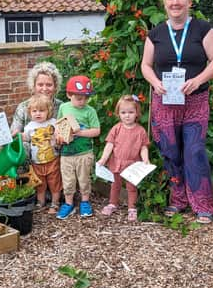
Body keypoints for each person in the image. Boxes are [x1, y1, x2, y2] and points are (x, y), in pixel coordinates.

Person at [140, 0, 213, 223]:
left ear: (189, 1)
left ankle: (203, 204)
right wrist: (155, 82)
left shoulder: (202, 29)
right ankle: (178, 200)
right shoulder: (155, 33)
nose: (175, 3)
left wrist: (198, 80)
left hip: (194, 101)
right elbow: (145, 65)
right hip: (165, 102)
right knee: (170, 151)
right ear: (164, 3)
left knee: (195, 151)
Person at [97, 95, 150, 222]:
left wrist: (146, 159)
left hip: (132, 164)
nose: (127, 115)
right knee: (115, 184)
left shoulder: (140, 131)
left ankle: (132, 207)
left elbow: (143, 147)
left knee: (131, 187)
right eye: (123, 112)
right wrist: (103, 159)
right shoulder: (116, 128)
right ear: (118, 113)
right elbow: (109, 144)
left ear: (137, 113)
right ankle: (112, 203)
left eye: (131, 112)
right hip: (117, 162)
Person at [55, 75, 101, 220]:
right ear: (69, 95)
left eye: (86, 98)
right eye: (79, 98)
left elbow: (96, 130)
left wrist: (80, 132)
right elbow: (59, 124)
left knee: (84, 179)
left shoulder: (90, 111)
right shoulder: (63, 107)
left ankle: (85, 202)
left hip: (84, 152)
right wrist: (59, 136)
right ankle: (68, 204)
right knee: (68, 180)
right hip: (67, 153)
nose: (83, 102)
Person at [21, 94, 62, 214]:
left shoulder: (54, 123)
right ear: (30, 112)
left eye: (42, 110)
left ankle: (55, 203)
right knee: (40, 184)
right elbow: (25, 138)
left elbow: (60, 135)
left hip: (52, 160)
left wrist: (58, 138)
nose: (38, 113)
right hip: (36, 162)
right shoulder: (29, 127)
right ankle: (41, 203)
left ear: (48, 111)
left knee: (55, 183)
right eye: (35, 111)